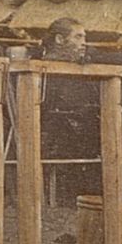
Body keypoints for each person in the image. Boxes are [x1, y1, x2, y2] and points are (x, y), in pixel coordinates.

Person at [39, 18, 99, 203]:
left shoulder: (80, 68)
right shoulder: (43, 68)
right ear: (59, 39)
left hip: (79, 135)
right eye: (78, 37)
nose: (84, 43)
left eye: (84, 37)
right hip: (53, 135)